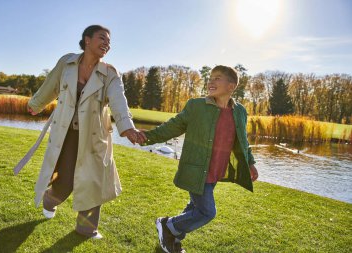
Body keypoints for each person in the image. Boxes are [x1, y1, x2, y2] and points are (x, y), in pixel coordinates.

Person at [27, 25, 146, 239]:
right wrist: (36, 104)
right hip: (66, 134)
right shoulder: (67, 62)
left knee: (93, 182)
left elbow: (119, 101)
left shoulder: (109, 72)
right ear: (87, 40)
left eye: (109, 41)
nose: (107, 44)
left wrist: (127, 127)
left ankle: (86, 228)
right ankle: (50, 199)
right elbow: (50, 85)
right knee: (65, 181)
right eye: (102, 38)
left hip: (94, 137)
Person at [137, 66, 258, 253]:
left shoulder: (240, 112)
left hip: (216, 172)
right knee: (207, 212)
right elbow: (174, 126)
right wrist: (149, 137)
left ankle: (174, 240)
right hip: (196, 171)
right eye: (210, 78)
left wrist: (250, 163)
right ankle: (167, 225)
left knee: (194, 207)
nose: (211, 82)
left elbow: (243, 140)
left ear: (231, 86)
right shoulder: (196, 106)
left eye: (217, 78)